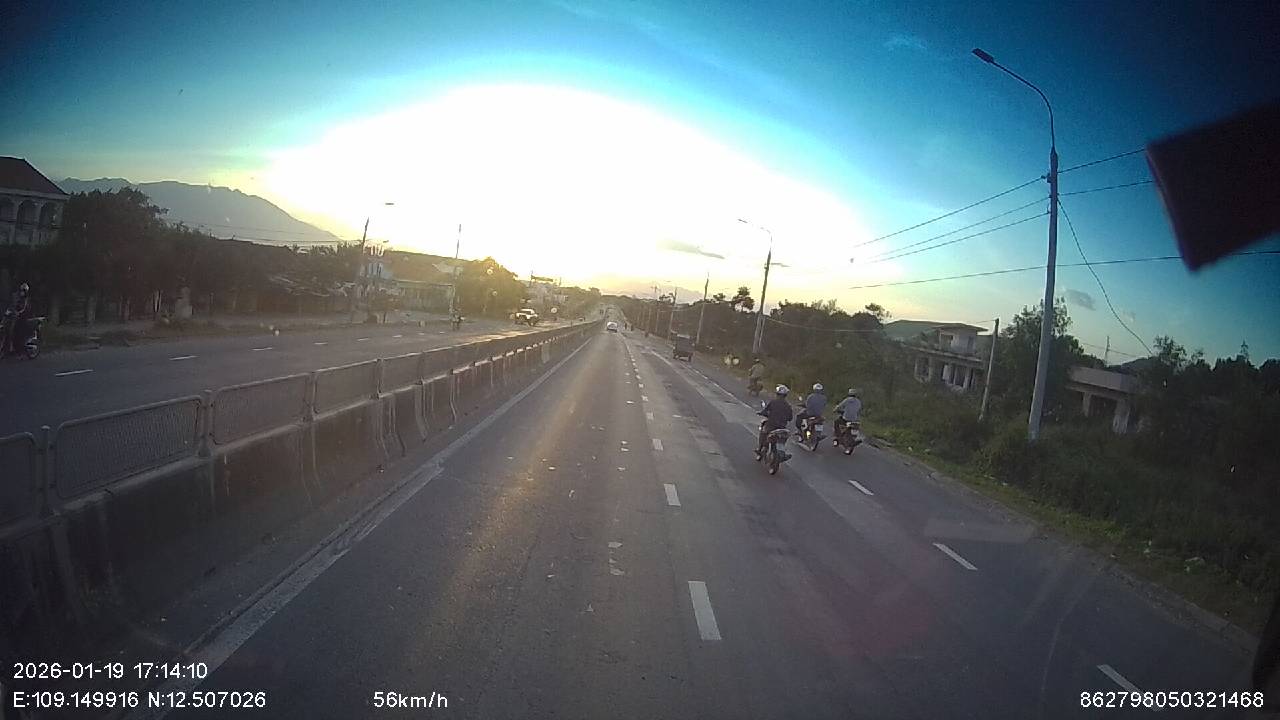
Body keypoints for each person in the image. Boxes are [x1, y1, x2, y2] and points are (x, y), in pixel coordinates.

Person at [756, 384, 794, 459]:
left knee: (763, 433)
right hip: (782, 427)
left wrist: (761, 413)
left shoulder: (773, 402)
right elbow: (790, 418)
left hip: (771, 425)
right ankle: (782, 453)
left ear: (777, 394)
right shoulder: (788, 405)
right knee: (782, 440)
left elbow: (765, 411)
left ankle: (759, 449)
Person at [3, 283, 32, 355]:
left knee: (18, 332)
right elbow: (11, 304)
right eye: (21, 290)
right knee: (8, 328)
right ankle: (9, 347)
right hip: (14, 316)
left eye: (24, 291)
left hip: (22, 317)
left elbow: (25, 308)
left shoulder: (26, 299)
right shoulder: (15, 296)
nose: (22, 292)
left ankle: (20, 350)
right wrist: (8, 310)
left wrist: (19, 312)